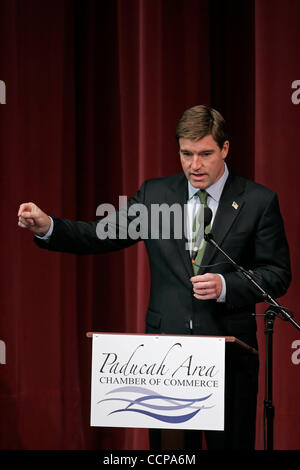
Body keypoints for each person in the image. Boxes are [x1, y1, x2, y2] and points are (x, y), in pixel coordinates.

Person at [18, 105, 291, 450]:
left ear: (224, 149)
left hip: (230, 357)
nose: (195, 165)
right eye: (186, 154)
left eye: (205, 154)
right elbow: (100, 234)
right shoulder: (156, 195)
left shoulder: (257, 201)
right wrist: (48, 226)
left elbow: (277, 274)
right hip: (166, 362)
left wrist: (226, 286)